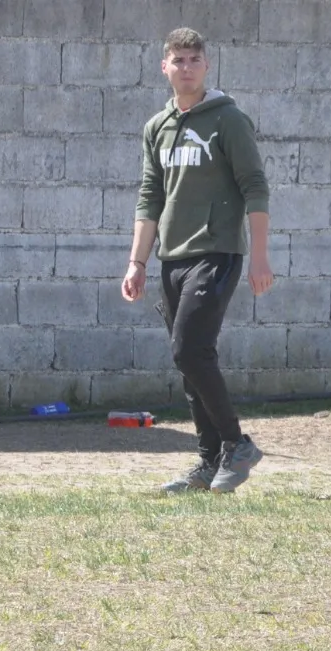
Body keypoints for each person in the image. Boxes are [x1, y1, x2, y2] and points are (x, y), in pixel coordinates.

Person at [121, 27, 272, 494]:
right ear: (164, 67)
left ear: (206, 66)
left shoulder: (228, 120)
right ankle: (208, 463)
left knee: (189, 349)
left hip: (218, 252)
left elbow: (255, 187)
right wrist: (137, 262)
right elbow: (150, 197)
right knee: (190, 361)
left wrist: (260, 257)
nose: (186, 67)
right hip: (172, 258)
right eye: (178, 60)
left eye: (194, 59)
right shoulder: (157, 128)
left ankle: (237, 443)